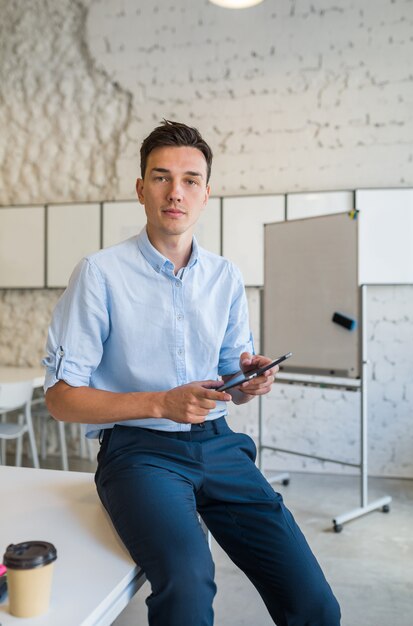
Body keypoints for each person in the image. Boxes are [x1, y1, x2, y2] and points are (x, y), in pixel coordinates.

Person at [43, 120, 341, 626]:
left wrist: (249, 381)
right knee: (187, 584)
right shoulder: (100, 274)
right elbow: (60, 398)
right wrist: (161, 402)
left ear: (207, 193)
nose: (175, 192)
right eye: (161, 177)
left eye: (190, 180)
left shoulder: (225, 277)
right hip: (140, 453)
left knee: (314, 603)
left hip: (220, 446)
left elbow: (232, 383)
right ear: (141, 189)